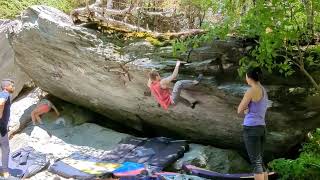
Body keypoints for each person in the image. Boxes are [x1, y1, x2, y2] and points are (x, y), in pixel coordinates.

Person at [237, 67, 269, 180]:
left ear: (249, 77)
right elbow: (257, 107)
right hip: (262, 128)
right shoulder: (263, 90)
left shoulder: (251, 90)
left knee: (256, 163)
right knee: (260, 161)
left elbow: (239, 109)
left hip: (251, 128)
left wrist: (246, 110)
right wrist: (248, 109)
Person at [0, 79, 15, 178]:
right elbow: (1, 103)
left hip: (2, 125)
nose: (13, 87)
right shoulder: (5, 93)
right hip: (1, 126)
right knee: (5, 148)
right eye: (11, 85)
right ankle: (5, 172)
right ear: (6, 87)